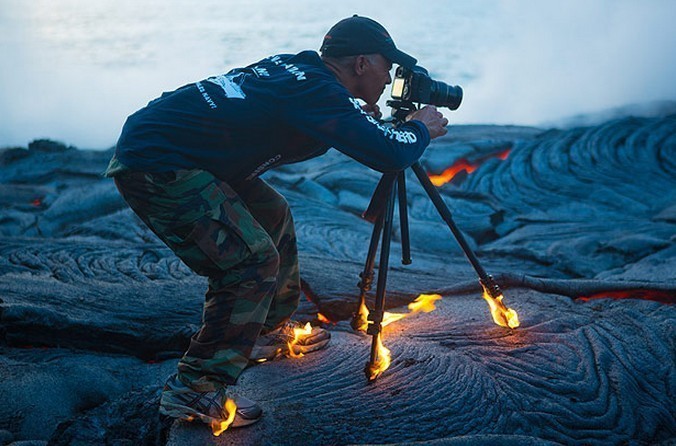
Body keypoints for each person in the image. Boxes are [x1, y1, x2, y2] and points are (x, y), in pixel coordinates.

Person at [105, 15, 448, 429]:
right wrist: (420, 130)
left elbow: (314, 116)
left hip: (183, 150)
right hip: (158, 162)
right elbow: (390, 154)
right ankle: (194, 387)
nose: (390, 74)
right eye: (386, 65)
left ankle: (263, 332)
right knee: (249, 262)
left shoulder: (301, 70)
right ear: (361, 64)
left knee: (273, 214)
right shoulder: (316, 92)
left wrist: (355, 115)